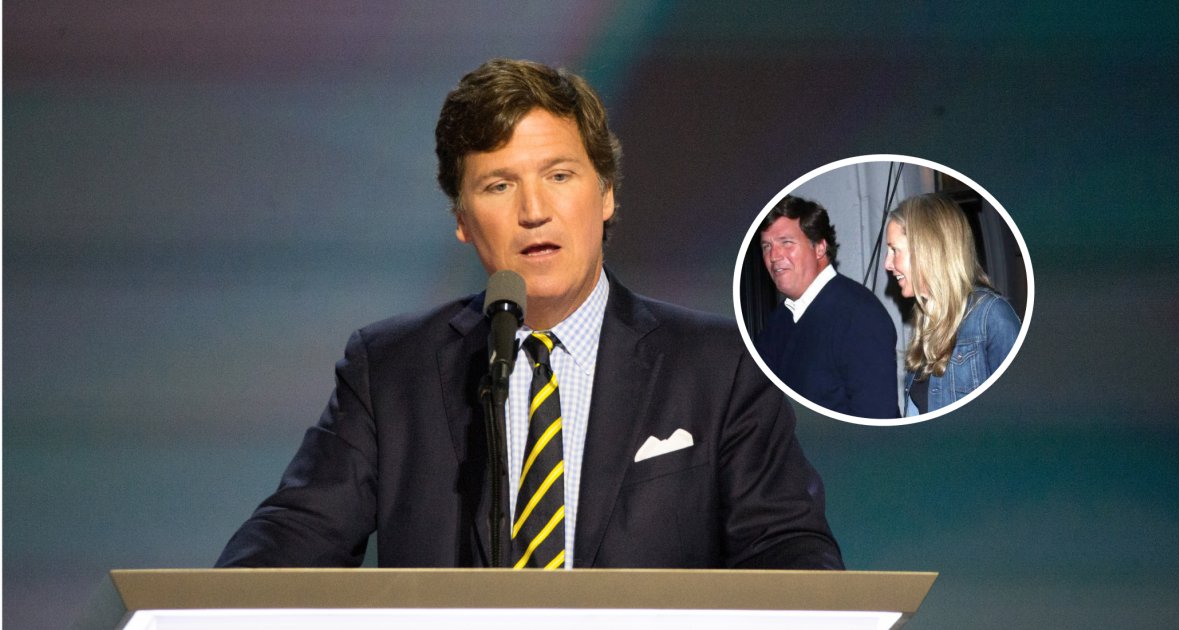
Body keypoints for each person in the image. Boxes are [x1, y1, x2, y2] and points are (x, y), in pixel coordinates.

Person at [216, 59, 843, 570]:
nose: (534, 210)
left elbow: (788, 549)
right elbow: (294, 535)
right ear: (462, 221)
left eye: (559, 175)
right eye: (498, 185)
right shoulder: (390, 371)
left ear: (606, 194)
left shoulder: (721, 366)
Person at [754, 197, 899, 419]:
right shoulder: (779, 320)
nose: (773, 256)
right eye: (767, 246)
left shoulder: (859, 315)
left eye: (787, 243)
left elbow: (877, 421)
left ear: (820, 248)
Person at [883, 193, 1021, 416]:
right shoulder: (927, 323)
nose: (887, 264)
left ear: (927, 249)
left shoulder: (992, 317)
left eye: (894, 250)